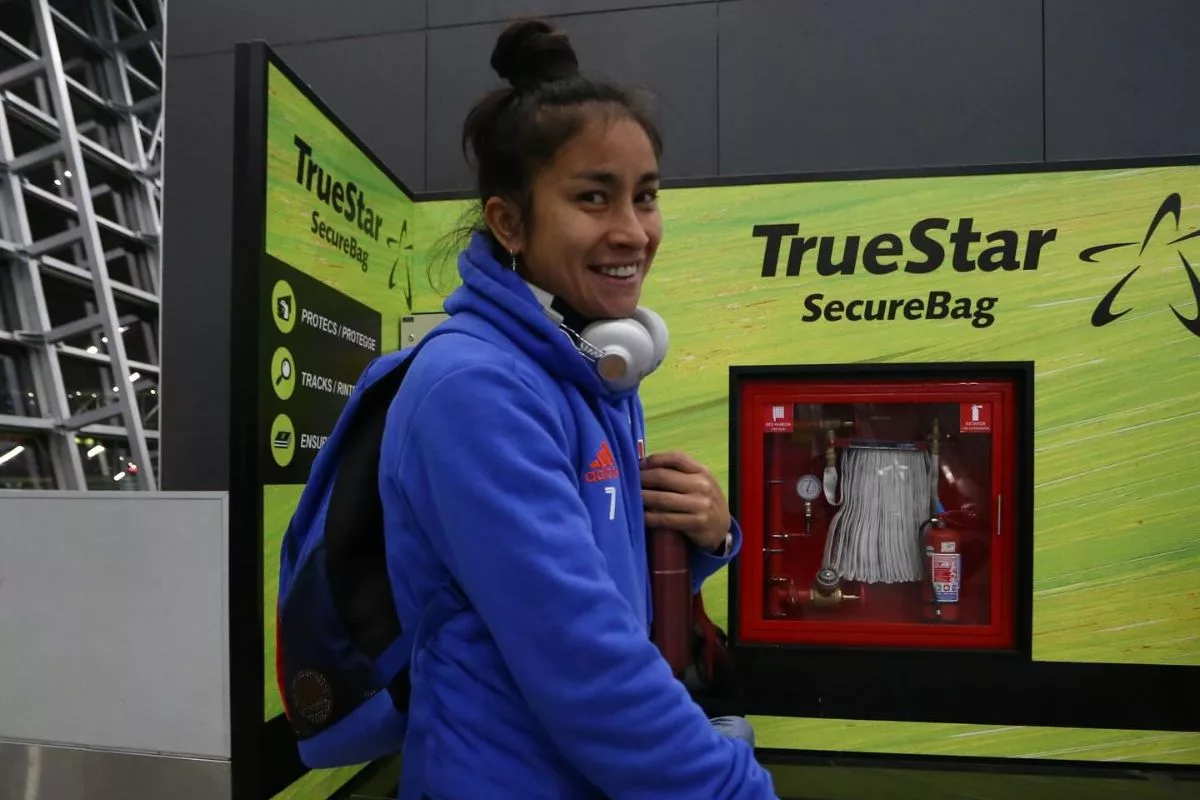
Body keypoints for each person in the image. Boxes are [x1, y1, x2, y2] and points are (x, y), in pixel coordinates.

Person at [379, 18, 779, 800]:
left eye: (645, 197)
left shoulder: (590, 368)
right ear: (509, 223)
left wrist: (702, 536)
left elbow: (599, 587)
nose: (633, 232)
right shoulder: (475, 389)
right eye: (593, 198)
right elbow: (583, 659)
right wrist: (734, 789)